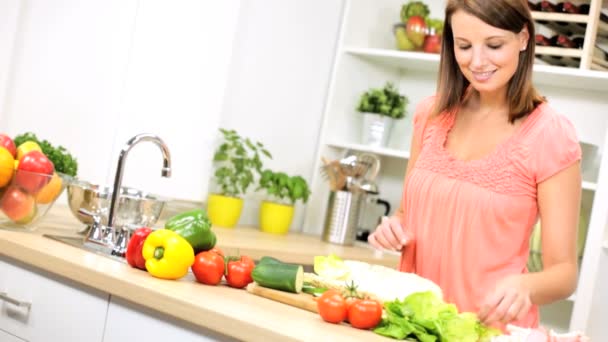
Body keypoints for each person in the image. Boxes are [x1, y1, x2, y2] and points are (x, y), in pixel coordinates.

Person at [368, 0, 581, 331]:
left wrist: (525, 286)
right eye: (463, 46)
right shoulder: (431, 115)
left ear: (523, 38)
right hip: (414, 325)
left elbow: (564, 273)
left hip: (491, 332)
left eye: (494, 45)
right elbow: (405, 215)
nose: (477, 61)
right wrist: (391, 229)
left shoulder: (551, 134)